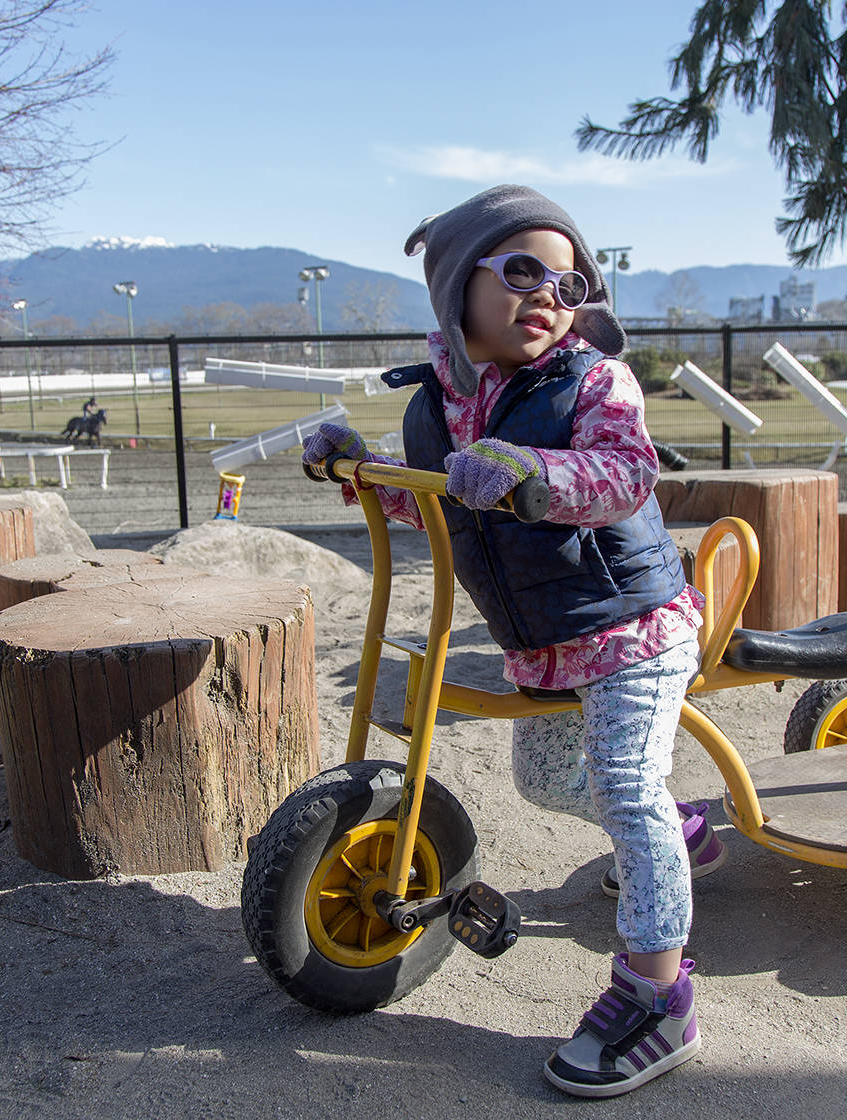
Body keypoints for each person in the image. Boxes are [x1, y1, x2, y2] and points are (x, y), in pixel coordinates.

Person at [301, 184, 722, 1099]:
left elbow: (624, 473)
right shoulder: (437, 407)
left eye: (569, 285)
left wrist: (533, 469)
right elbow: (441, 505)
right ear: (457, 288)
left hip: (633, 625)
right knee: (547, 781)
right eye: (523, 271)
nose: (547, 298)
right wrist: (364, 472)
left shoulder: (593, 382)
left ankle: (660, 1000)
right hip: (550, 638)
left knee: (623, 784)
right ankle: (681, 839)